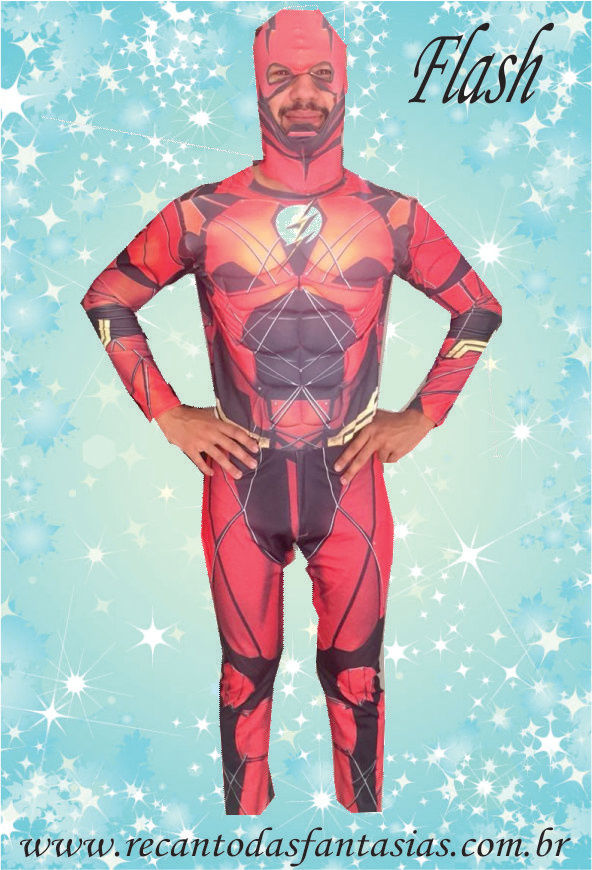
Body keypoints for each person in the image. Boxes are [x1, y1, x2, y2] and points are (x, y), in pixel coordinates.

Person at [80, 8, 502, 816]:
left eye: (319, 77)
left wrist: (421, 416)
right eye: (281, 78)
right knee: (245, 675)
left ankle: (364, 832)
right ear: (258, 87)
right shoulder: (204, 213)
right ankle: (244, 832)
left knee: (358, 676)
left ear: (344, 85)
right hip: (241, 478)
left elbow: (477, 308)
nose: (302, 94)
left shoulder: (392, 214)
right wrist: (169, 413)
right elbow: (107, 298)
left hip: (352, 479)